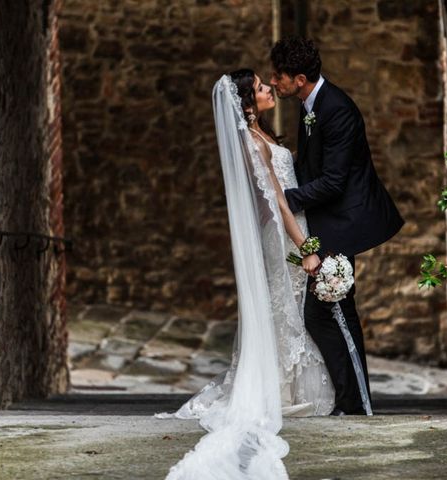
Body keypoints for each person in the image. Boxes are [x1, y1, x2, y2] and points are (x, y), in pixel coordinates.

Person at [156, 69, 335, 479]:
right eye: (259, 87)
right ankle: (278, 390)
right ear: (249, 106)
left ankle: (280, 386)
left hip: (287, 234)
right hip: (286, 236)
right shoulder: (256, 142)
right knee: (284, 307)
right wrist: (305, 248)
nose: (269, 88)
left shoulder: (261, 137)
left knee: (285, 308)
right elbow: (280, 204)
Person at [270, 36, 405, 415]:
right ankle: (347, 401)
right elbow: (311, 166)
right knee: (327, 312)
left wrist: (282, 200)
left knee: (336, 312)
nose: (274, 82)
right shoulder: (309, 104)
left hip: (344, 220)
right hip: (324, 220)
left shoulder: (338, 109)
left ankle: (358, 402)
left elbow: (333, 182)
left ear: (298, 78)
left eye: (277, 77)